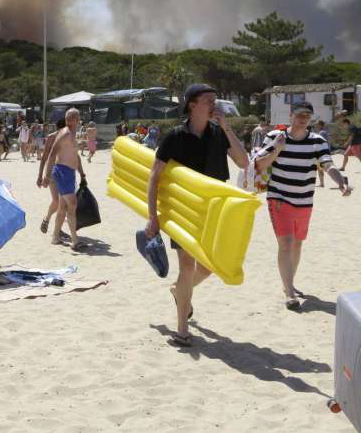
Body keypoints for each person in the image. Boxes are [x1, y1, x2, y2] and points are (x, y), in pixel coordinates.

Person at [144, 84, 249, 347]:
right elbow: (154, 177)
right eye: (208, 100)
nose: (214, 104)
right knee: (187, 267)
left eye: (215, 99)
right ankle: (182, 330)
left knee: (209, 266)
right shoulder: (175, 136)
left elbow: (244, 162)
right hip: (183, 210)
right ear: (192, 104)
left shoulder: (218, 133)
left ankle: (180, 292)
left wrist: (226, 127)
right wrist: (152, 216)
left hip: (215, 210)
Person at [255, 103, 351, 310]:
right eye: (299, 115)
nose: (303, 119)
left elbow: (328, 164)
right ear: (291, 116)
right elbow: (259, 164)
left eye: (307, 116)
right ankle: (289, 291)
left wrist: (340, 181)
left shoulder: (317, 141)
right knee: (286, 243)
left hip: (305, 200)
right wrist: (277, 150)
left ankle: (289, 281)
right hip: (279, 197)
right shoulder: (275, 136)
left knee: (297, 244)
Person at [39, 110, 87, 250]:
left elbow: (74, 155)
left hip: (69, 173)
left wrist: (81, 173)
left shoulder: (71, 134)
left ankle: (55, 237)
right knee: (72, 204)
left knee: (63, 206)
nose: (77, 120)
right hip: (62, 171)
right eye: (76, 118)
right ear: (73, 119)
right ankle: (75, 240)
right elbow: (52, 153)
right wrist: (47, 176)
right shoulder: (65, 133)